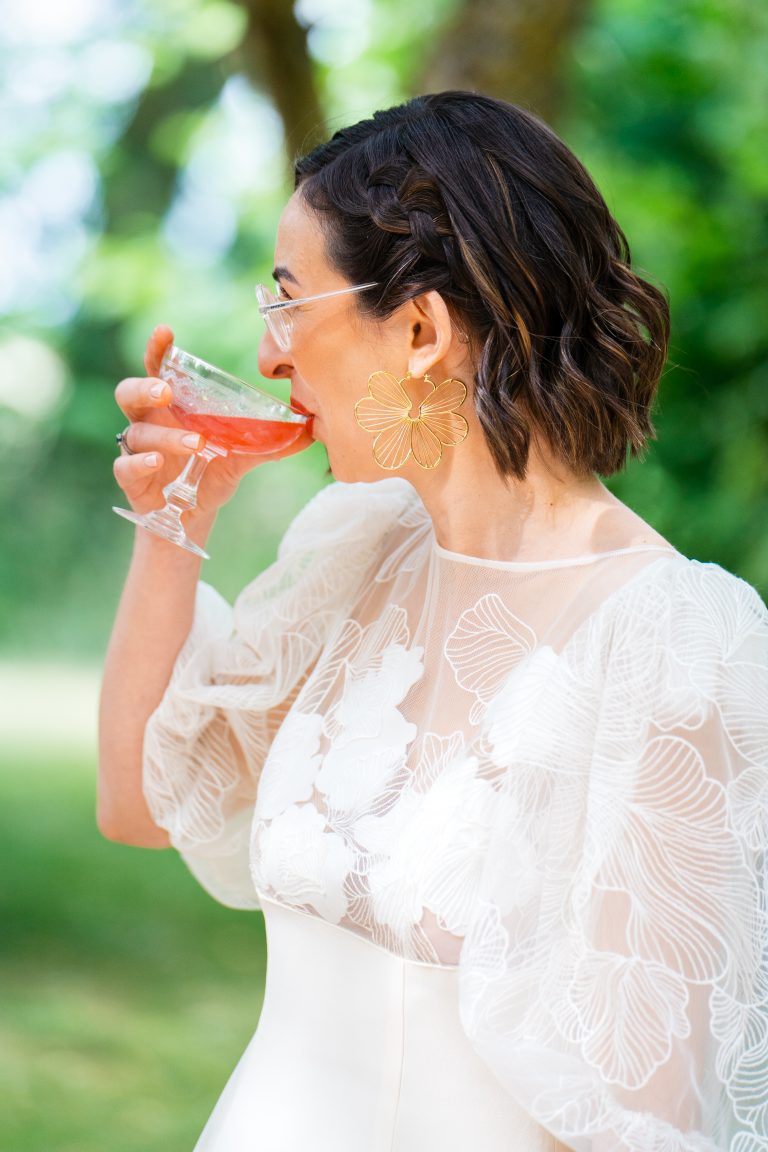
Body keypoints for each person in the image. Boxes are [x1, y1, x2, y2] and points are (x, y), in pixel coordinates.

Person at [98, 91, 768, 1152]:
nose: (270, 358)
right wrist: (174, 520)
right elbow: (139, 801)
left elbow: (646, 1117)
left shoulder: (672, 645)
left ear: (420, 330)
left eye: (289, 303)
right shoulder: (356, 549)